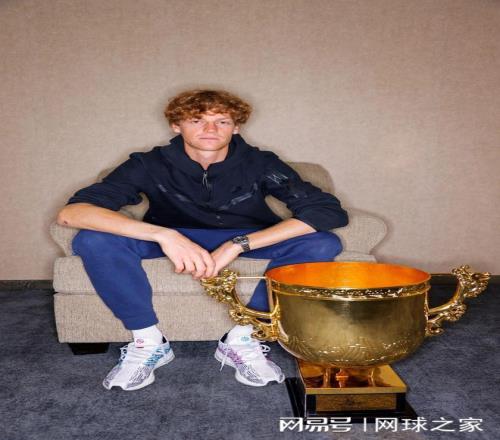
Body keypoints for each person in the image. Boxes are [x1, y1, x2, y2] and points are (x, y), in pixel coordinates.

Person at [57, 89, 348, 391]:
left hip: (245, 234)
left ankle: (244, 337)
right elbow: (72, 213)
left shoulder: (261, 163)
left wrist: (238, 244)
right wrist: (163, 234)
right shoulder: (148, 164)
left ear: (236, 127)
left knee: (323, 243)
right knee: (93, 240)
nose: (210, 129)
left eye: (222, 121)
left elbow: (327, 211)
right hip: (172, 235)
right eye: (197, 120)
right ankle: (148, 341)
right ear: (176, 125)